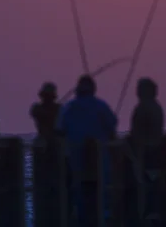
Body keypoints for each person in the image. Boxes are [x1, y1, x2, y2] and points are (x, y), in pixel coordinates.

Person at [57, 75, 117, 226]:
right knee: (101, 200)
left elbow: (59, 129)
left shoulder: (68, 107)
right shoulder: (101, 106)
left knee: (79, 200)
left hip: (75, 164)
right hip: (101, 164)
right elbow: (112, 125)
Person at [128, 78, 165, 223]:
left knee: (143, 189)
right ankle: (152, 216)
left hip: (144, 155)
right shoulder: (157, 107)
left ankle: (142, 217)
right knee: (153, 188)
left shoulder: (142, 108)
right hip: (156, 154)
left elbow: (135, 134)